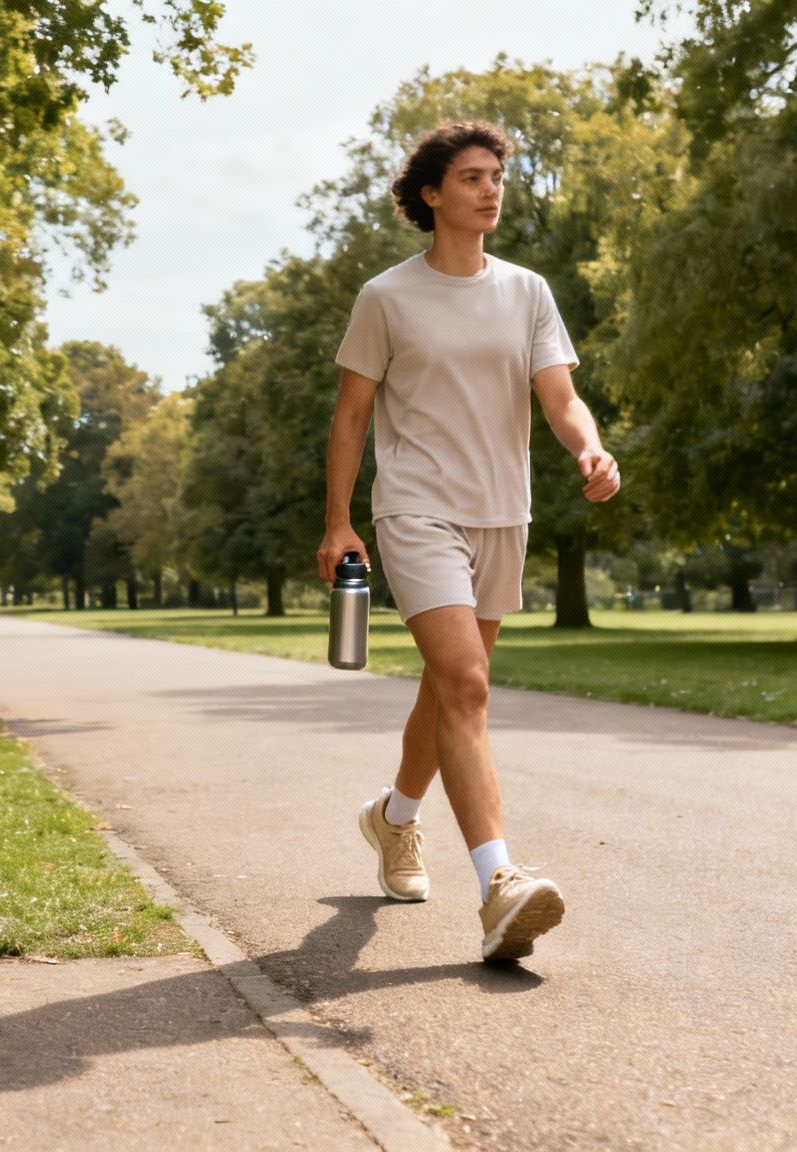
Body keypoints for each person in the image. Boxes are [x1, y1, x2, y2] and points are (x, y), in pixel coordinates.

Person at [317, 120, 620, 962]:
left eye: (498, 177)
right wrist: (340, 519)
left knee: (449, 691)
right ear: (431, 194)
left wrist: (589, 447)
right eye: (474, 177)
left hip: (502, 512)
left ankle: (393, 820)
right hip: (416, 509)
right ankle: (500, 884)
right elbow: (350, 416)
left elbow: (559, 399)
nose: (491, 190)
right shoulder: (387, 297)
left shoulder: (527, 291)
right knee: (469, 685)